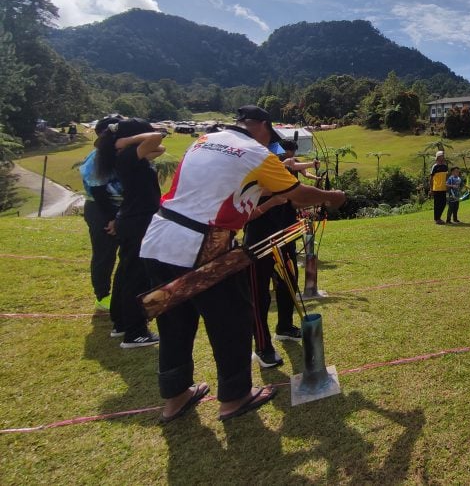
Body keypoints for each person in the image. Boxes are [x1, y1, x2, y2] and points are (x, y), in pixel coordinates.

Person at [139, 105, 345, 423]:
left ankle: (175, 396)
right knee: (232, 319)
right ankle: (234, 398)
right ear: (261, 127)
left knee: (174, 323)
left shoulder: (204, 140)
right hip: (201, 244)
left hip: (158, 238)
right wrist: (331, 196)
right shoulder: (256, 153)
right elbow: (299, 196)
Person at [95, 118, 164, 349]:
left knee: (125, 273)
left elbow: (159, 146)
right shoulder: (127, 155)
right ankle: (135, 332)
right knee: (137, 276)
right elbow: (157, 138)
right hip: (138, 221)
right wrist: (128, 140)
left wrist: (126, 140)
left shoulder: (129, 156)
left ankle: (121, 322)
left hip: (132, 219)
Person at [245, 139, 309, 368]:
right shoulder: (252, 179)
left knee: (288, 283)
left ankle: (285, 326)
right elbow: (244, 215)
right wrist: (272, 201)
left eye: (280, 157)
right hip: (259, 242)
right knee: (259, 295)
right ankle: (262, 347)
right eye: (275, 157)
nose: (281, 160)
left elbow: (295, 193)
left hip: (286, 237)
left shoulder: (284, 175)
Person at [79, 116, 123, 310]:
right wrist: (111, 219)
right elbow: (98, 191)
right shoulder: (97, 158)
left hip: (117, 209)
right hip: (101, 209)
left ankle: (123, 292)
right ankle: (103, 295)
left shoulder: (116, 154)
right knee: (104, 254)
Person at [430, 150, 448, 225]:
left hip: (443, 188)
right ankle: (437, 219)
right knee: (437, 204)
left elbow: (446, 177)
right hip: (436, 188)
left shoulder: (445, 166)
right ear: (438, 157)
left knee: (443, 203)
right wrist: (431, 189)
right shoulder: (435, 166)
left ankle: (438, 218)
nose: (443, 157)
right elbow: (431, 178)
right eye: (442, 156)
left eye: (443, 155)